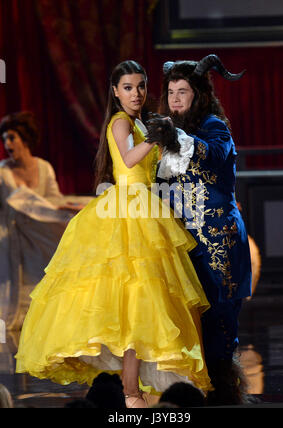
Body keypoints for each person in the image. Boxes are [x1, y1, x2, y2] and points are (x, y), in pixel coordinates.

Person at [15, 60, 212, 408]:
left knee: (143, 304)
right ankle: (130, 390)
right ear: (115, 91)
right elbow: (128, 158)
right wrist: (156, 138)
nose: (136, 93)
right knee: (131, 301)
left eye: (140, 86)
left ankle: (139, 387)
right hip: (127, 210)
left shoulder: (139, 121)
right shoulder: (120, 121)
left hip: (148, 208)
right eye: (128, 87)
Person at [156, 54, 252, 405]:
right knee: (188, 317)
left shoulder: (214, 126)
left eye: (183, 91)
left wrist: (175, 136)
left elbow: (211, 154)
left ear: (199, 95)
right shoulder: (166, 134)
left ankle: (224, 390)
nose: (176, 99)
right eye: (170, 92)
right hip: (184, 241)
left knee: (220, 315)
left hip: (218, 240)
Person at [0, 111, 72, 330]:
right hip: (11, 232)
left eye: (12, 137)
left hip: (40, 232)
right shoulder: (3, 170)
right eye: (4, 139)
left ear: (24, 139)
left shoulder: (43, 167)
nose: (7, 144)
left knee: (43, 273)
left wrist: (67, 209)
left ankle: (43, 316)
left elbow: (54, 199)